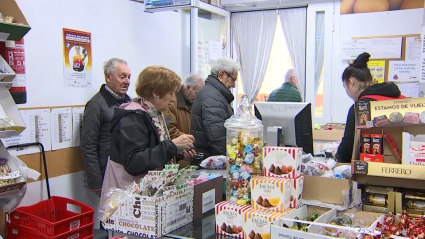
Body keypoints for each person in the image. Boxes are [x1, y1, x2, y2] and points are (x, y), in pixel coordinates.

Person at [99, 66, 195, 207]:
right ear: (156, 93)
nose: (173, 98)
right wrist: (172, 146)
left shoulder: (154, 113)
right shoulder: (133, 117)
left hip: (143, 197)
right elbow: (134, 162)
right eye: (170, 93)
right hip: (127, 201)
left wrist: (177, 151)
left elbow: (152, 148)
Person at [335, 52, 406, 163]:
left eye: (345, 87)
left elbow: (347, 152)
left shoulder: (360, 108)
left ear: (350, 82)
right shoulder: (401, 99)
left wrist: (336, 156)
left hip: (375, 173)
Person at [80, 58, 131, 197]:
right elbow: (88, 145)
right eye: (122, 76)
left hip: (127, 170)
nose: (127, 81)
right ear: (108, 77)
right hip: (107, 172)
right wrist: (95, 182)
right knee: (110, 216)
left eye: (128, 77)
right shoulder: (96, 105)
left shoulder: (129, 101)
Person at [191, 57, 240, 159]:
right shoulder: (213, 98)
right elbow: (218, 139)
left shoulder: (211, 93)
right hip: (211, 162)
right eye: (233, 79)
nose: (234, 85)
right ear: (221, 75)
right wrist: (232, 161)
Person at [164, 74, 204, 168]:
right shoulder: (171, 103)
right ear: (187, 88)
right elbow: (169, 129)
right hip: (176, 159)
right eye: (196, 93)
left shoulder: (192, 102)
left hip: (186, 155)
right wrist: (189, 144)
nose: (198, 97)